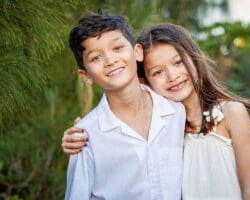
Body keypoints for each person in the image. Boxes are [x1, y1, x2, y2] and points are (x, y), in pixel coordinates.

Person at [62, 22, 250, 199]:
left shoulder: (231, 113)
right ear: (146, 81)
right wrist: (82, 132)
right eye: (158, 72)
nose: (172, 76)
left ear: (194, 57)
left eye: (178, 62)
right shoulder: (170, 122)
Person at [64, 11, 186, 200]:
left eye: (117, 48)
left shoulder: (176, 111)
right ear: (85, 76)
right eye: (96, 58)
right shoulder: (85, 137)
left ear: (137, 52)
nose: (110, 60)